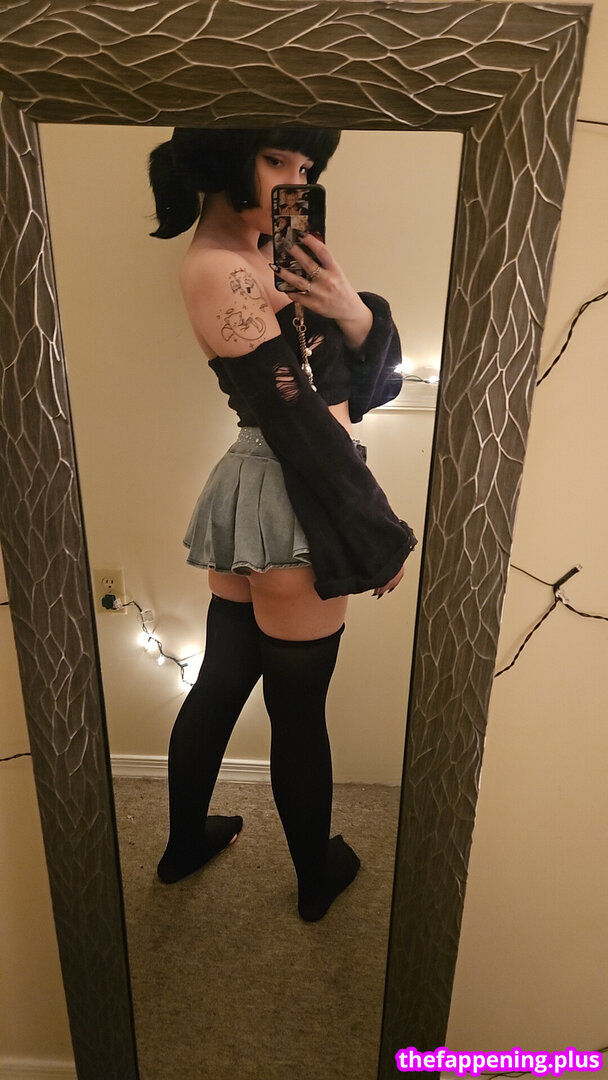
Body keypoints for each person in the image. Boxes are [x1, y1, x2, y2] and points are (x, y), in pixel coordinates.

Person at [148, 127, 417, 921]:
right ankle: (313, 880)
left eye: (305, 166)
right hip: (301, 490)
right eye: (275, 160)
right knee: (297, 714)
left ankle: (184, 844)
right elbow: (296, 417)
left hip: (262, 490)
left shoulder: (270, 256)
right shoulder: (218, 268)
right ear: (223, 158)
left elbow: (370, 388)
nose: (292, 180)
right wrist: (375, 530)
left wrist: (354, 314)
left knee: (225, 680)